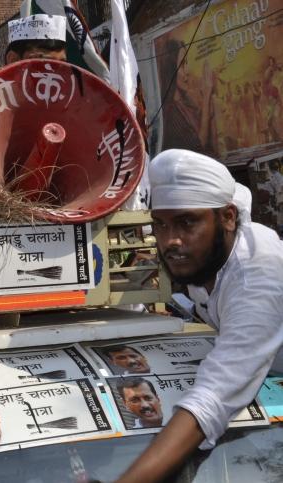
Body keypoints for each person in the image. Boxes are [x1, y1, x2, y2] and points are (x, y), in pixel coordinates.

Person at [116, 149, 283, 483]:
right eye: (160, 225)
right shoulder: (215, 241)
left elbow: (211, 402)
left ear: (229, 218)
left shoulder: (257, 280)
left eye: (187, 222)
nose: (171, 241)